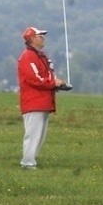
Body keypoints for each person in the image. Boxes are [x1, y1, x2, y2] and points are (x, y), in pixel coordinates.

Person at [17, 26, 68, 169]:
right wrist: (54, 83)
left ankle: (31, 160)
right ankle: (27, 163)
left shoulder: (40, 56)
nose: (43, 38)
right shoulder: (28, 57)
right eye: (40, 36)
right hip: (34, 102)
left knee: (40, 135)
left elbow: (46, 77)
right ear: (32, 38)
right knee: (33, 134)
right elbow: (35, 79)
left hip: (43, 101)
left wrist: (58, 84)